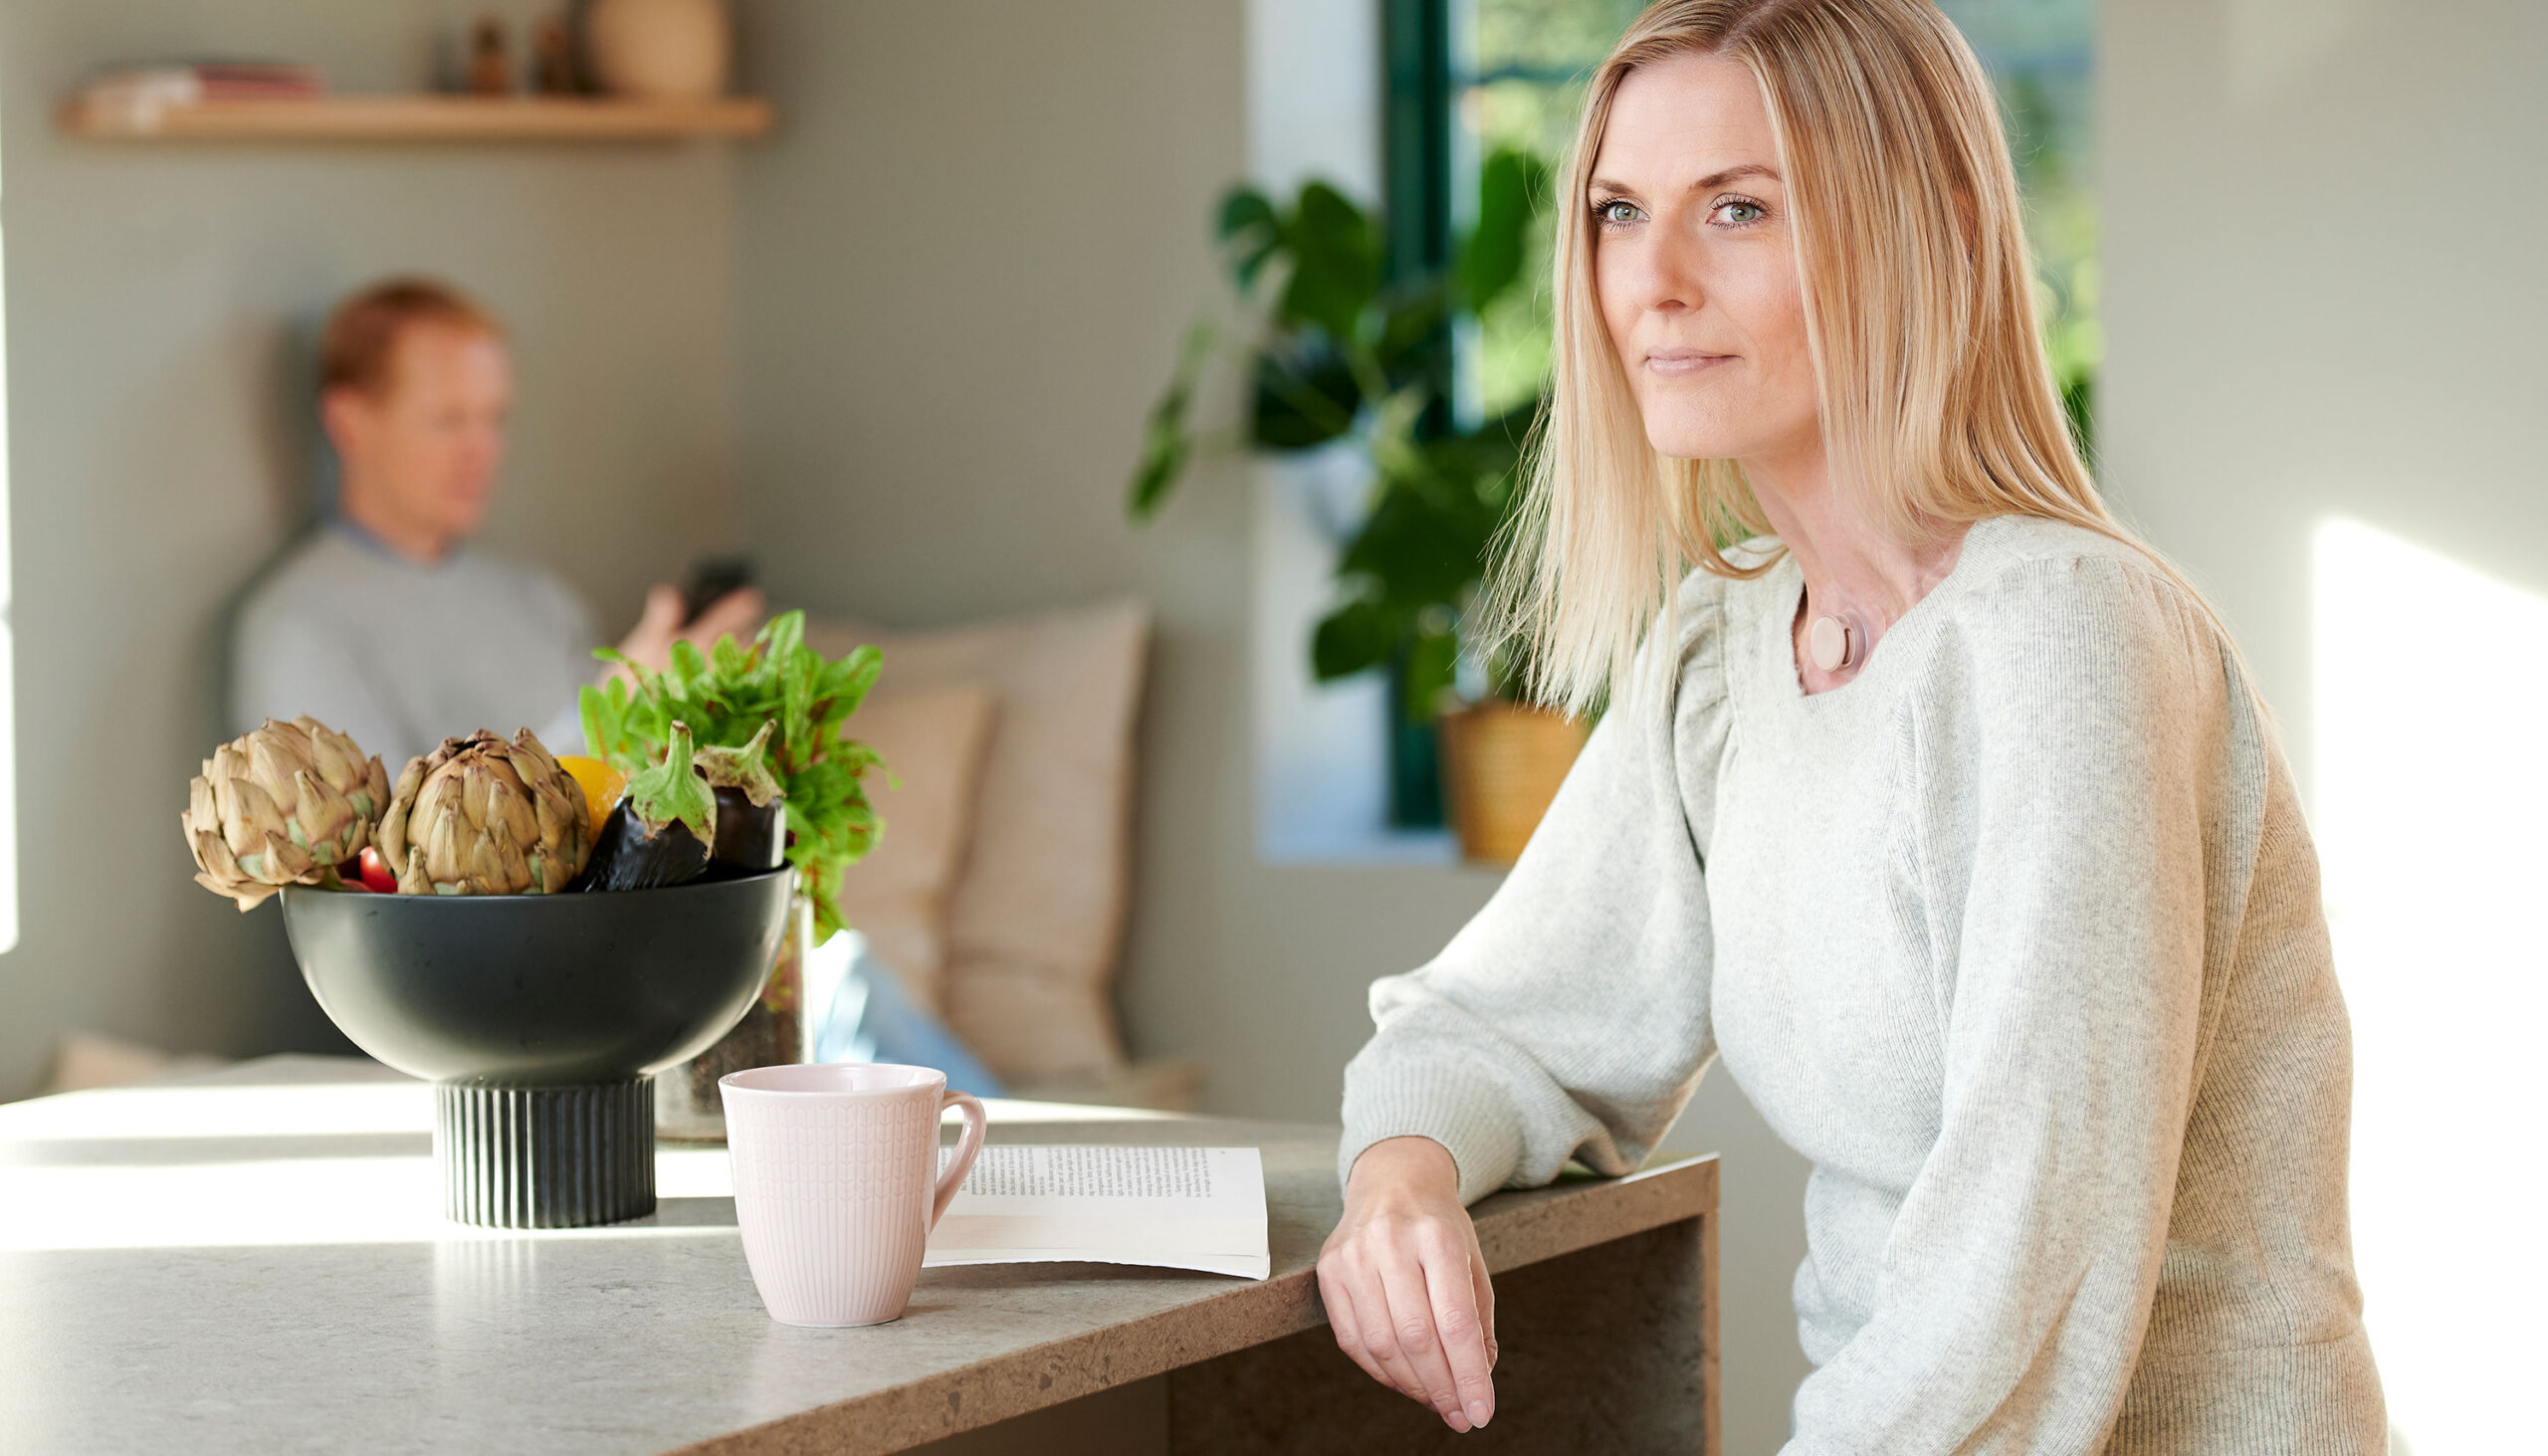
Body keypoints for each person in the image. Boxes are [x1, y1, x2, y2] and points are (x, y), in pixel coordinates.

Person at [1317, 2, 2384, 1451]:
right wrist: (1401, 1173)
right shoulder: (1730, 637)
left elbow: (2021, 1279)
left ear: (1932, 228)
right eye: (1621, 212)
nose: (1656, 282)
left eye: (1740, 209)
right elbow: (1507, 1016)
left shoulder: (2066, 638)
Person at [230, 278, 763, 771]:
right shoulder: (302, 629)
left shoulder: (542, 600)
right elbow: (381, 866)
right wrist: (607, 713)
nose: (481, 451)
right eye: (448, 419)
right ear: (349, 421)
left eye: (494, 418)